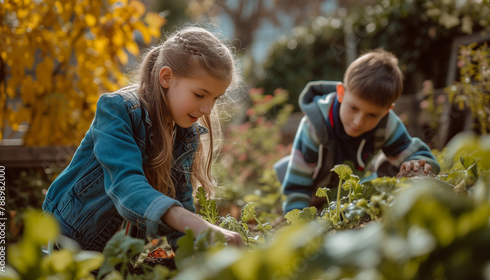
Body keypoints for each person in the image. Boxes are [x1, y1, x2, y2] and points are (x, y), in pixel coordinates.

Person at [42, 26, 244, 252]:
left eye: (216, 98)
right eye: (199, 94)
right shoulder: (116, 110)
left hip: (119, 254)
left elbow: (182, 208)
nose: (208, 109)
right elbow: (126, 184)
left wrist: (198, 257)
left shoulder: (186, 134)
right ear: (167, 77)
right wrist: (196, 224)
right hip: (70, 244)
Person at [276, 49, 440, 214]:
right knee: (290, 170)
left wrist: (418, 164)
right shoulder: (314, 125)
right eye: (353, 108)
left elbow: (417, 155)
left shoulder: (387, 124)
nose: (358, 121)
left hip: (342, 191)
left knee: (381, 173)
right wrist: (297, 216)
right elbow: (297, 186)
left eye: (372, 115)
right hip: (309, 184)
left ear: (386, 111)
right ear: (341, 93)